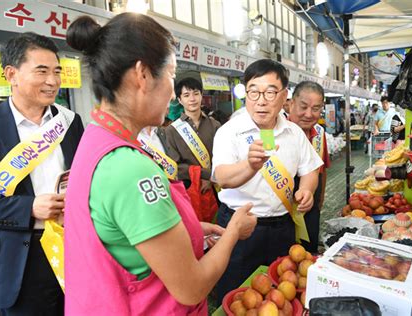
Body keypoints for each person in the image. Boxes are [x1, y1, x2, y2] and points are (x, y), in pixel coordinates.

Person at [64, 13, 256, 315]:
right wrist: (232, 231)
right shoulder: (129, 167)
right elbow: (191, 288)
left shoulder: (98, 139)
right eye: (171, 74)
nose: (174, 92)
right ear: (142, 75)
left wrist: (190, 229)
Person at [212, 59, 324, 303]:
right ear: (245, 94)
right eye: (253, 91)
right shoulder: (229, 132)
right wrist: (249, 166)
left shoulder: (294, 133)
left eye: (270, 92)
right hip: (238, 229)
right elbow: (222, 177)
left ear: (284, 96)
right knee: (236, 299)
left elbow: (311, 168)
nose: (261, 100)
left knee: (280, 297)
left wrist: (306, 189)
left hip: (282, 229)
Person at [0, 32, 84, 315]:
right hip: (21, 259)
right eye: (41, 71)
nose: (53, 81)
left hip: (74, 251)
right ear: (11, 74)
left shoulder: (69, 122)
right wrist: (28, 207)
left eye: (57, 72)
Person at [165, 78, 221, 222]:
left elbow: (223, 157)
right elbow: (175, 166)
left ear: (202, 95)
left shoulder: (215, 125)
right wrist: (207, 175)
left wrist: (211, 179)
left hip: (218, 190)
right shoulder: (172, 131)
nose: (192, 99)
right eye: (186, 95)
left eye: (196, 94)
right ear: (179, 99)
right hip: (189, 192)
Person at [288, 81, 331, 254]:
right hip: (285, 208)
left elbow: (323, 168)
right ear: (291, 104)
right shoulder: (277, 132)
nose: (308, 114)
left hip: (311, 206)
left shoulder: (319, 133)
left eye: (316, 108)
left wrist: (320, 199)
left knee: (309, 252)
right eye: (303, 106)